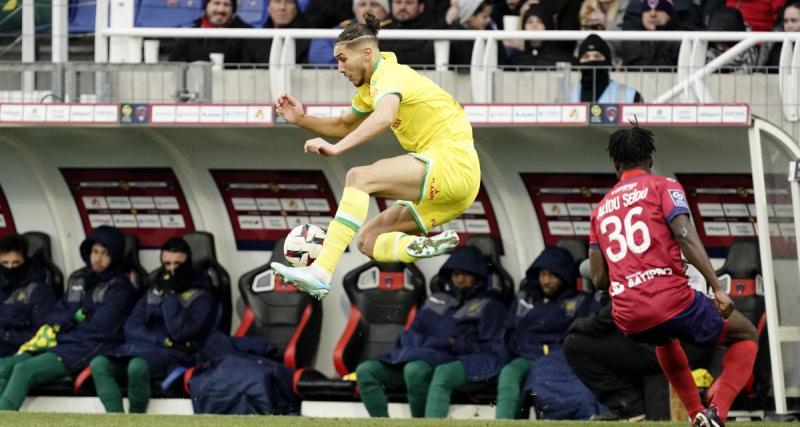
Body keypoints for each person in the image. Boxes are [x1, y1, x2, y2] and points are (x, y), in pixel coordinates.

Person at [271, 13, 480, 300]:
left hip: (452, 164)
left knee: (359, 177)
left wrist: (339, 148)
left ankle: (320, 272)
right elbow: (343, 124)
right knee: (368, 242)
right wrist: (302, 119)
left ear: (367, 53)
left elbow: (384, 117)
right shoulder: (372, 89)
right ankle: (420, 247)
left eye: (343, 59)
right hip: (457, 193)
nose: (339, 69)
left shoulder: (390, 76)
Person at [588, 123, 758, 427]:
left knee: (664, 340)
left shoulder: (600, 210)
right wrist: (717, 287)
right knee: (745, 332)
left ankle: (696, 417)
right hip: (670, 301)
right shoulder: (663, 186)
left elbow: (599, 280)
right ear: (651, 158)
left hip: (627, 316)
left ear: (615, 166)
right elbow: (683, 233)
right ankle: (717, 411)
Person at [354, 245, 506, 417]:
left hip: (444, 359)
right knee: (366, 370)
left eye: (466, 274)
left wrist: (445, 344)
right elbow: (412, 332)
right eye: (456, 274)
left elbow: (483, 346)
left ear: (478, 277)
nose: (460, 280)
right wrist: (419, 345)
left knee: (415, 370)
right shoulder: (435, 299)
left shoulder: (489, 305)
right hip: (413, 354)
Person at [0, 226, 137, 410]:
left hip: (91, 346)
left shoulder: (120, 288)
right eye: (95, 251)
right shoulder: (78, 280)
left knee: (23, 370)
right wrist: (67, 324)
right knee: (4, 366)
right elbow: (54, 318)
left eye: (105, 253)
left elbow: (101, 328)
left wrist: (66, 327)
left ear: (115, 255)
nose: (97, 258)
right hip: (60, 342)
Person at [90, 237, 217, 413]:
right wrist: (159, 338)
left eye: (177, 264)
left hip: (176, 353)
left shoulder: (201, 295)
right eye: (167, 264)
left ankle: (136, 420)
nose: (171, 269)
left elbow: (181, 333)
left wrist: (171, 295)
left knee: (137, 366)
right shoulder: (155, 289)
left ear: (187, 262)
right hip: (144, 347)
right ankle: (116, 420)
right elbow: (131, 326)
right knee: (99, 363)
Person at [493, 246, 598, 419]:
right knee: (509, 372)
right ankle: (503, 422)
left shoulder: (581, 302)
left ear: (564, 276)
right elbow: (509, 329)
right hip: (527, 355)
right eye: (542, 275)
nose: (546, 281)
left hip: (559, 359)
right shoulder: (527, 298)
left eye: (552, 275)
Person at [0, 234, 56, 357]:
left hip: (17, 351)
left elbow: (41, 337)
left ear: (25, 260)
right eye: (4, 263)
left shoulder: (39, 290)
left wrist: (6, 336)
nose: (10, 267)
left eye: (15, 263)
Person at [168, 0, 260, 64]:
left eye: (226, 4)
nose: (221, 10)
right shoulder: (188, 36)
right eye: (216, 3)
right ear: (206, 6)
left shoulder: (248, 34)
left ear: (233, 9)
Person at [561, 34, 643, 103]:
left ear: (608, 62)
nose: (592, 60)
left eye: (597, 56)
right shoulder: (565, 96)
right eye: (586, 57)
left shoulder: (631, 95)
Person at [308, 0, 392, 66]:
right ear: (355, 10)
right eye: (362, 4)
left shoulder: (398, 32)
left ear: (385, 11)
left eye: (374, 4)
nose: (368, 9)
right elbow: (318, 57)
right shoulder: (340, 30)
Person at [380, 0, 438, 66]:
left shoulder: (433, 32)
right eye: (398, 2)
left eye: (409, 2)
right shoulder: (379, 31)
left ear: (421, 7)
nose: (402, 7)